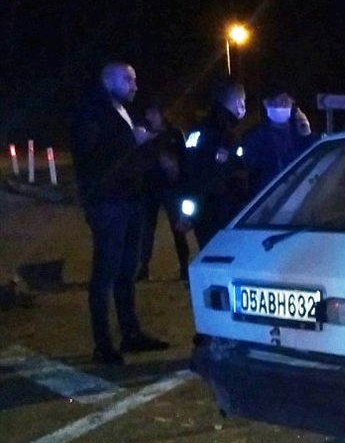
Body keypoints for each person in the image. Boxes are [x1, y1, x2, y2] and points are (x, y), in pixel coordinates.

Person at [69, 62, 170, 365]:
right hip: (107, 204)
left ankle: (131, 333)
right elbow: (90, 154)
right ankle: (103, 344)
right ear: (106, 79)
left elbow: (130, 155)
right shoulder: (90, 111)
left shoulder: (125, 111)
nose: (134, 86)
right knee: (105, 274)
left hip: (131, 200)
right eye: (127, 79)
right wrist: (132, 140)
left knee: (127, 271)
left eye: (135, 80)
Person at [187, 79, 248, 248]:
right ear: (238, 102)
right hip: (224, 209)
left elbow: (189, 170)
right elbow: (233, 173)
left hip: (202, 210)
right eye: (243, 101)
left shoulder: (197, 130)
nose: (243, 107)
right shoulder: (226, 134)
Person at [136, 99, 192, 281]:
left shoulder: (174, 134)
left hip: (171, 188)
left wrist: (183, 184)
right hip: (149, 188)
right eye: (148, 114)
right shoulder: (144, 135)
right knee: (147, 230)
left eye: (153, 113)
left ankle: (184, 266)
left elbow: (184, 160)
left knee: (178, 228)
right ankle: (143, 267)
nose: (150, 117)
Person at [240, 85, 313, 198]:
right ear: (266, 103)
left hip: (298, 196)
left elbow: (312, 160)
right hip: (267, 200)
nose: (284, 105)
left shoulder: (299, 133)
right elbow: (252, 168)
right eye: (281, 101)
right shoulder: (253, 138)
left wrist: (307, 135)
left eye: (287, 101)